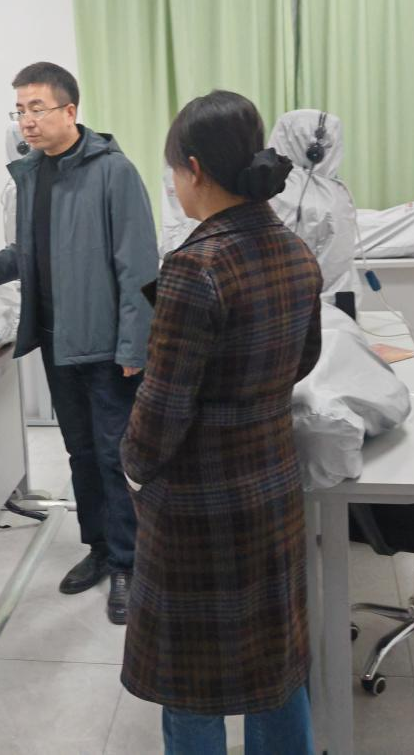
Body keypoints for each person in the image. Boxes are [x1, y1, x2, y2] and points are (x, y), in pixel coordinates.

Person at [120, 90, 323, 754]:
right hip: (272, 486)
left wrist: (134, 467)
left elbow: (163, 407)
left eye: (173, 171)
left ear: (195, 169)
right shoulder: (293, 250)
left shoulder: (195, 266)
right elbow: (305, 359)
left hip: (197, 507)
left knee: (191, 680)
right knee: (275, 667)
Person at [0, 62, 158, 624]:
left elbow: (138, 269)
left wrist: (135, 347)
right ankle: (99, 548)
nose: (26, 121)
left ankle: (129, 563)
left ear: (70, 111)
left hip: (106, 348)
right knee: (80, 453)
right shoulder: (32, 174)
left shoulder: (114, 172)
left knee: (115, 457)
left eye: (37, 108)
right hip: (58, 343)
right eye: (19, 111)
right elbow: (23, 253)